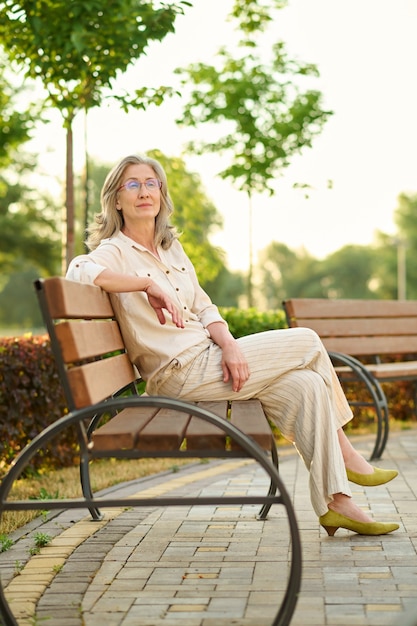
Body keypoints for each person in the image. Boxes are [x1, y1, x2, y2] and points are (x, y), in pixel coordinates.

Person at [67, 153, 399, 536]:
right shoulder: (115, 250)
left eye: (151, 183)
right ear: (117, 199)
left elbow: (204, 305)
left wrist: (229, 344)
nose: (144, 191)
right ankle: (347, 454)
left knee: (305, 386)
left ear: (161, 194)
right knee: (306, 340)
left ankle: (337, 504)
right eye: (133, 184)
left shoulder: (171, 248)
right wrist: (145, 284)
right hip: (177, 373)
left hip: (207, 360)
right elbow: (79, 270)